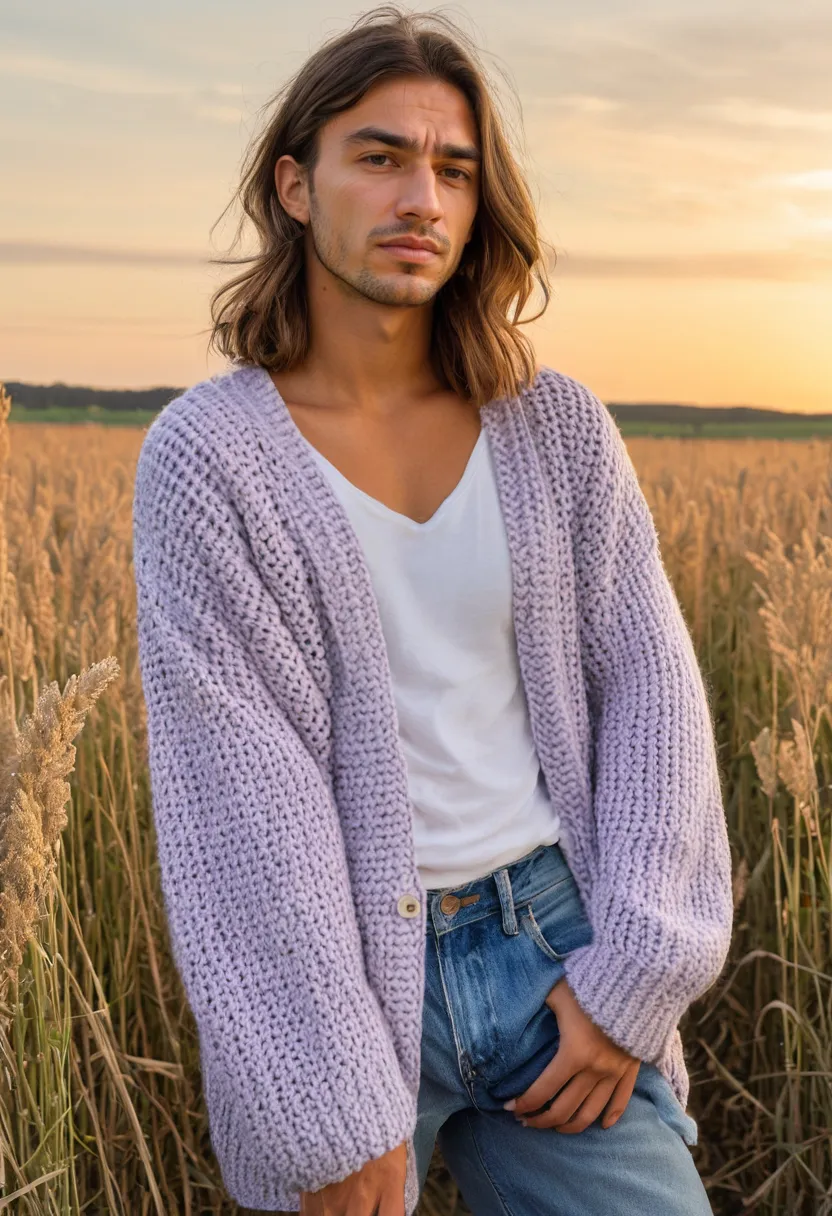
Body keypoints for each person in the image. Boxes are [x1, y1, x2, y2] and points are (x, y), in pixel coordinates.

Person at [132, 6, 735, 1215]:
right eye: (381, 156)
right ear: (295, 186)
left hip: (551, 950)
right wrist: (324, 1100)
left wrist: (632, 974)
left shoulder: (554, 429)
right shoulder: (211, 460)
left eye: (453, 169)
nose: (423, 196)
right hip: (346, 987)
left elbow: (654, 696)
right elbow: (242, 801)